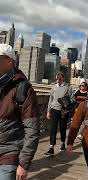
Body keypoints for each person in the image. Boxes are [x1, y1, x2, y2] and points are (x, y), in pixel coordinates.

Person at [0, 44, 39, 180]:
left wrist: (24, 164)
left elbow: (32, 129)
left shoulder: (23, 89)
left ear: (9, 61)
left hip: (9, 155)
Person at [45, 72, 72, 156]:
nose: (58, 80)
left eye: (60, 79)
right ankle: (51, 147)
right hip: (54, 110)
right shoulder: (53, 87)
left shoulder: (68, 87)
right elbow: (50, 99)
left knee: (62, 128)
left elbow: (72, 99)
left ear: (63, 78)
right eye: (57, 79)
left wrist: (67, 103)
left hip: (63, 111)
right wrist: (48, 111)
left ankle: (63, 143)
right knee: (53, 129)